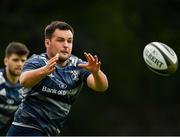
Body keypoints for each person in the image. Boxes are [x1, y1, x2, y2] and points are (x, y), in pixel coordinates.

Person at [7, 21, 108, 136]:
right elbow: (24, 81)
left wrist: (96, 72)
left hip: (49, 132)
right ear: (47, 42)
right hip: (25, 129)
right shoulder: (36, 61)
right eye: (60, 40)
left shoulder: (78, 65)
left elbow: (101, 87)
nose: (66, 45)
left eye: (69, 41)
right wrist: (44, 71)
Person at [0, 42, 29, 135]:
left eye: (23, 60)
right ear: (6, 61)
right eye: (15, 60)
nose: (20, 64)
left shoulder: (29, 85)